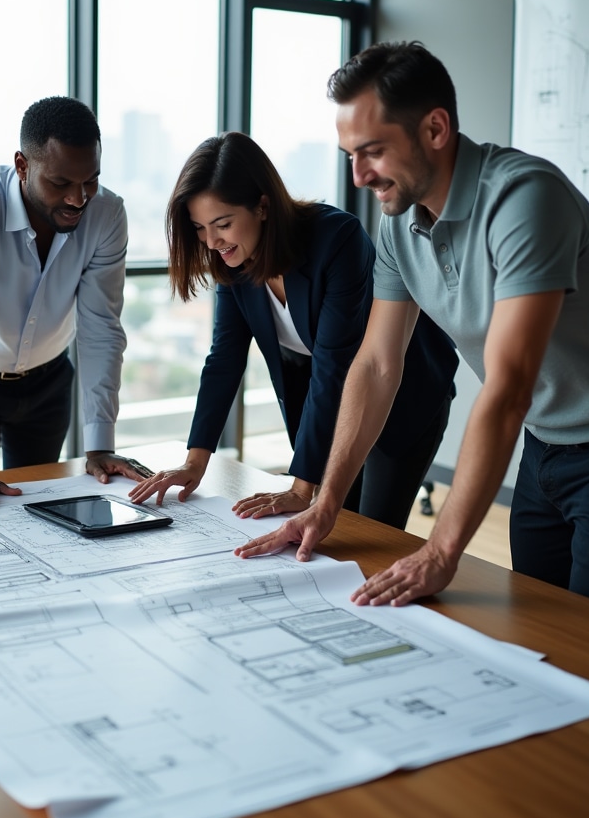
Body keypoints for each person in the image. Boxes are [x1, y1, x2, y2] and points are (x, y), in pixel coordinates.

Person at [237, 41, 589, 617]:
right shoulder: (399, 226)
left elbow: (508, 387)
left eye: (373, 151)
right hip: (544, 448)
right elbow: (378, 364)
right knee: (542, 622)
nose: (358, 176)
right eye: (350, 154)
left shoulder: (525, 200)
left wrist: (441, 549)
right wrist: (326, 502)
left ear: (435, 128)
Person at [129, 131, 457, 527]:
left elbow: (333, 364)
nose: (212, 241)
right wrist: (194, 463)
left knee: (372, 530)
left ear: (263, 207)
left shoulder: (337, 239)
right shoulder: (234, 262)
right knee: (332, 532)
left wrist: (302, 488)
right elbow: (224, 361)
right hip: (331, 402)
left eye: (223, 224)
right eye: (199, 228)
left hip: (400, 396)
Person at [0, 96, 152, 519]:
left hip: (47, 381)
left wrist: (101, 446)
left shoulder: (107, 214)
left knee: (38, 514)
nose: (78, 198)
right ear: (22, 165)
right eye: (61, 183)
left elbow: (101, 327)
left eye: (90, 181)